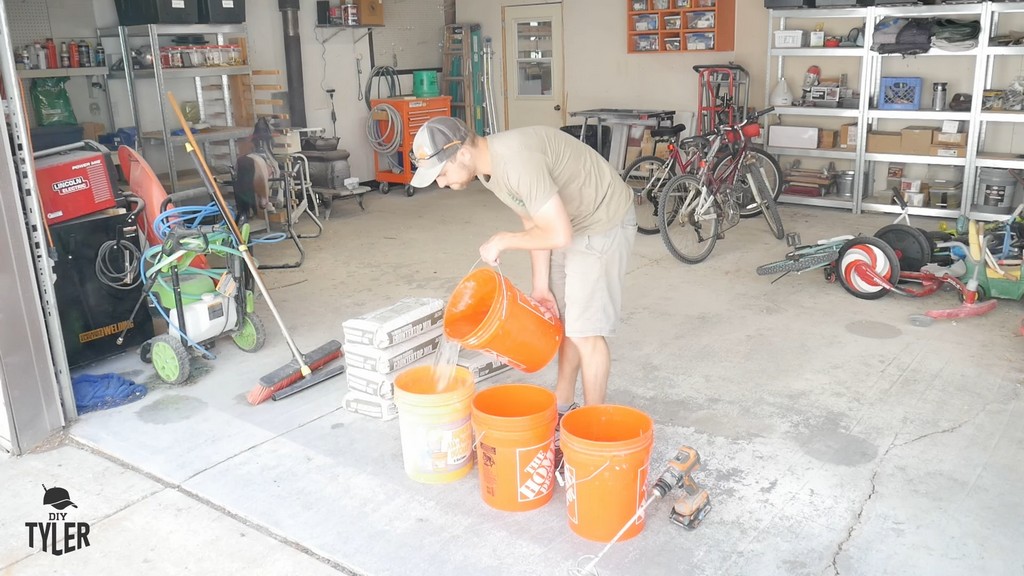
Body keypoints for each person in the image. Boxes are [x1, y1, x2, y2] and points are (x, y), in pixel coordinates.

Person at [410, 115, 637, 417]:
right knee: (567, 321)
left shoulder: (516, 161)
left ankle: (590, 427)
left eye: (441, 172)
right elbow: (533, 220)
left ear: (462, 153)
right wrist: (541, 286)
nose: (440, 182)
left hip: (601, 219)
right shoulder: (487, 170)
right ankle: (563, 403)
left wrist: (503, 240)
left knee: (586, 332)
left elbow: (558, 233)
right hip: (570, 221)